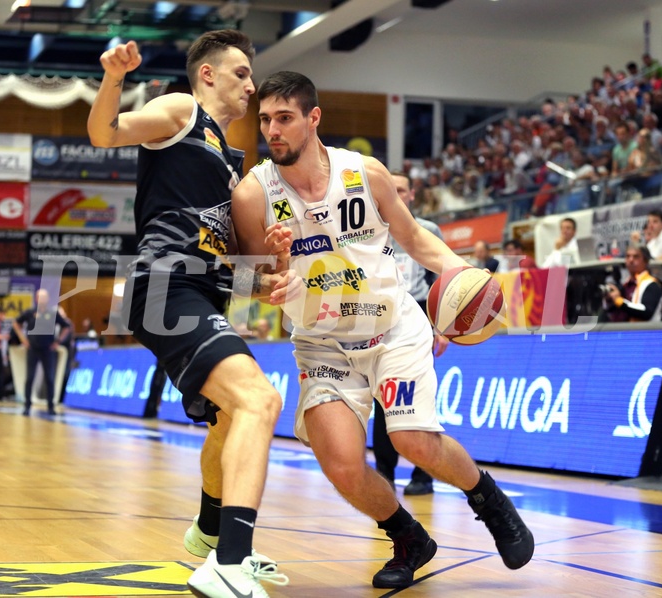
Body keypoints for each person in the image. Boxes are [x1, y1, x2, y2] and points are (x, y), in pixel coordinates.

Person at [232, 71, 534, 590]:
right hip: (322, 342)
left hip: (392, 328)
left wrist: (460, 272)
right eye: (265, 120)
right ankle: (410, 538)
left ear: (313, 118)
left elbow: (414, 236)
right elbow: (243, 277)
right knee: (342, 464)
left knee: (414, 441)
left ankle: (488, 498)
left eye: (284, 118)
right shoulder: (253, 193)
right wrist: (269, 276)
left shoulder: (364, 173)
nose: (272, 130)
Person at [87, 31, 289, 598]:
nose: (251, 85)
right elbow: (105, 132)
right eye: (242, 73)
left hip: (202, 292)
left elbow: (232, 264)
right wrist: (113, 79)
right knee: (260, 400)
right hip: (162, 287)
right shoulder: (181, 111)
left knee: (231, 417)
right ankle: (230, 560)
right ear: (208, 75)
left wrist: (269, 264)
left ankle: (208, 529)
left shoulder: (233, 162)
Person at [372, 170, 449, 497]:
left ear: (412, 195)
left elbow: (441, 283)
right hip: (379, 318)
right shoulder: (370, 230)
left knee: (421, 397)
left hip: (417, 313)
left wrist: (441, 327)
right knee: (382, 400)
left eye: (402, 190)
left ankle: (423, 476)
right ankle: (385, 476)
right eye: (392, 190)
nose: (397, 195)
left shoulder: (427, 231)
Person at [12, 289, 71, 416]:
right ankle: (27, 406)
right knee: (30, 378)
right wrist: (23, 339)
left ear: (48, 299)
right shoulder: (30, 312)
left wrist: (58, 341)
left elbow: (66, 326)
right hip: (33, 349)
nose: (42, 300)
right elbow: (16, 323)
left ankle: (51, 406)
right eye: (40, 297)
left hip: (47, 349)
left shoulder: (52, 313)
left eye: (44, 297)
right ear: (36, 299)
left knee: (50, 378)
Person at [602, 245, 662, 322]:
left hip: (647, 332)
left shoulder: (652, 284)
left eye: (636, 257)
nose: (631, 260)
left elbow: (646, 312)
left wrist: (619, 300)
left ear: (645, 261)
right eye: (628, 256)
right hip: (624, 331)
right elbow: (618, 314)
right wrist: (610, 301)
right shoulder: (625, 284)